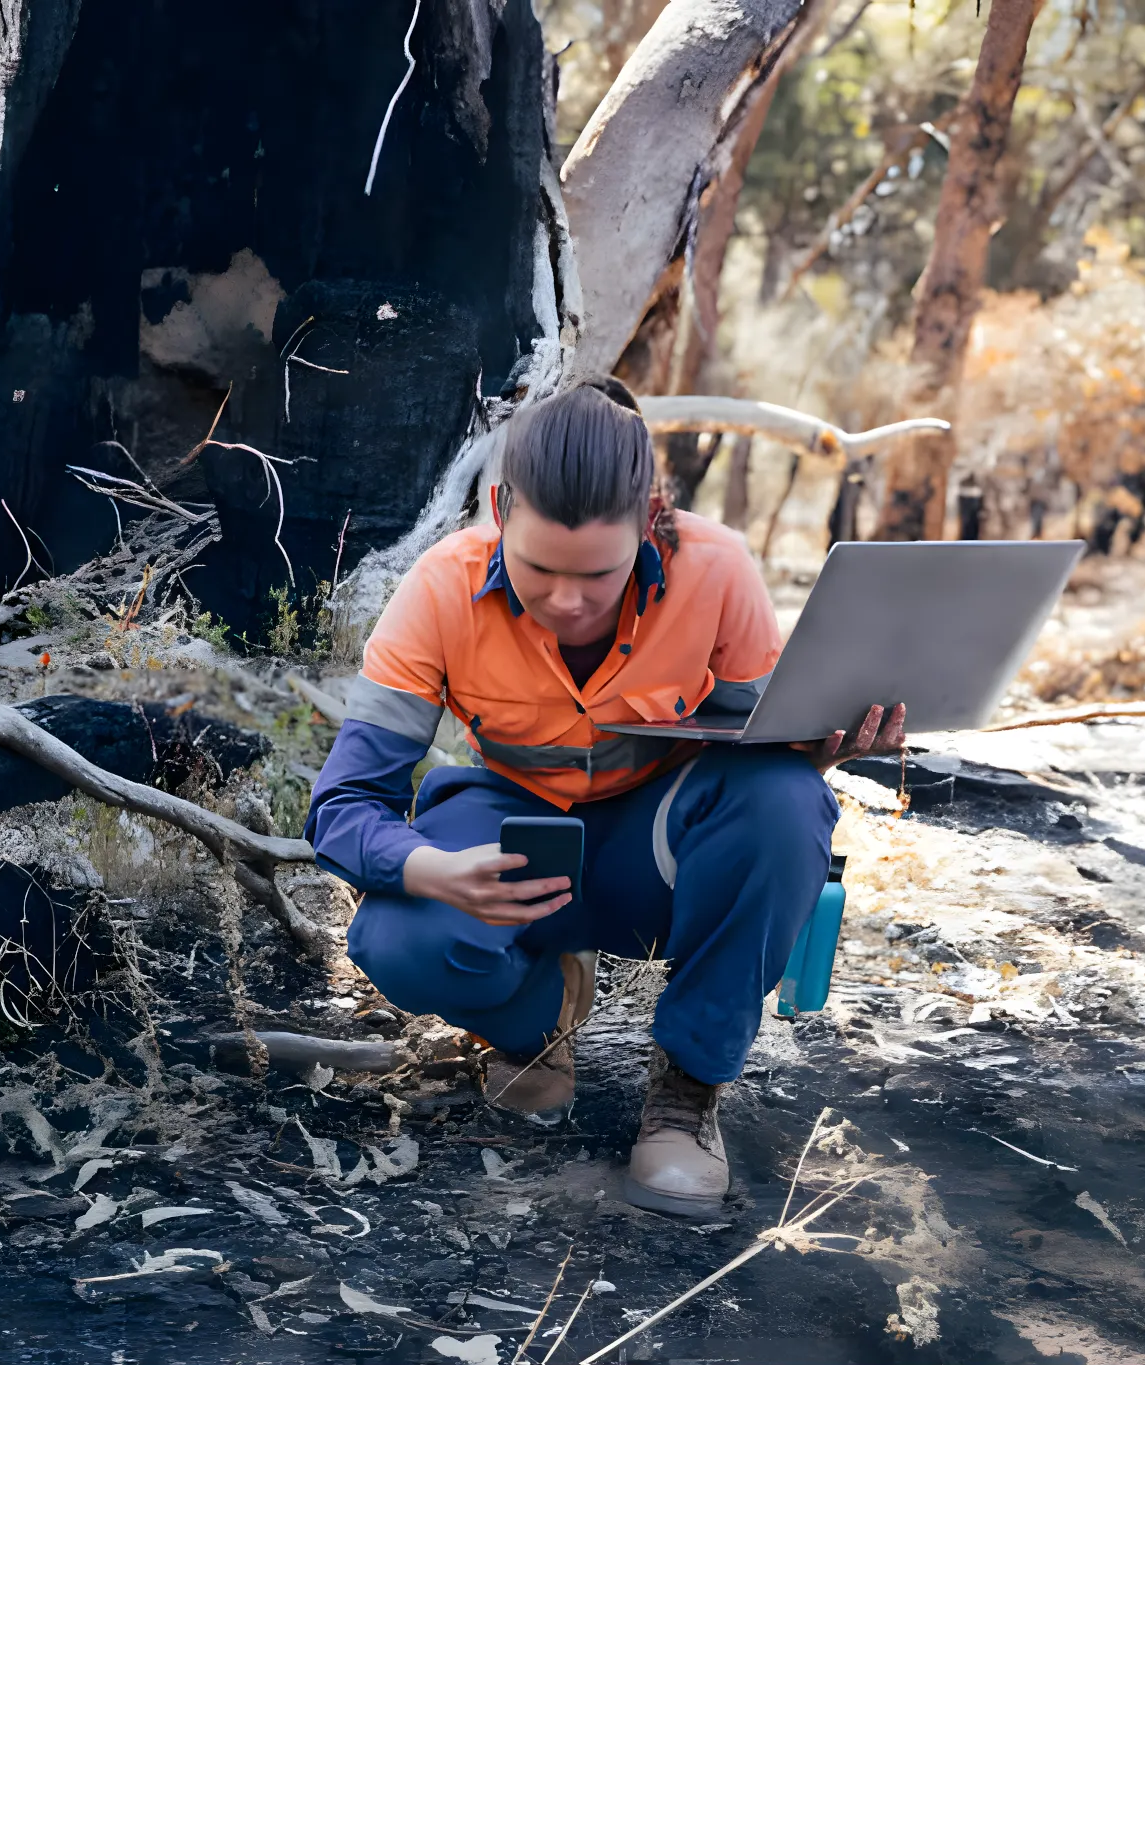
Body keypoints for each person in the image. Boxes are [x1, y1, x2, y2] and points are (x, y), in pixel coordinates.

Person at [306, 378, 905, 1218]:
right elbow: (343, 808)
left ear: (652, 514)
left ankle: (687, 1093)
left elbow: (764, 773)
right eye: (539, 568)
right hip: (513, 839)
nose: (569, 602)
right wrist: (431, 868)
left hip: (654, 849)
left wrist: (826, 748)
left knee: (786, 802)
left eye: (599, 573)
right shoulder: (439, 589)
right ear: (498, 506)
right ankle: (537, 1026)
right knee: (395, 935)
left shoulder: (718, 569)